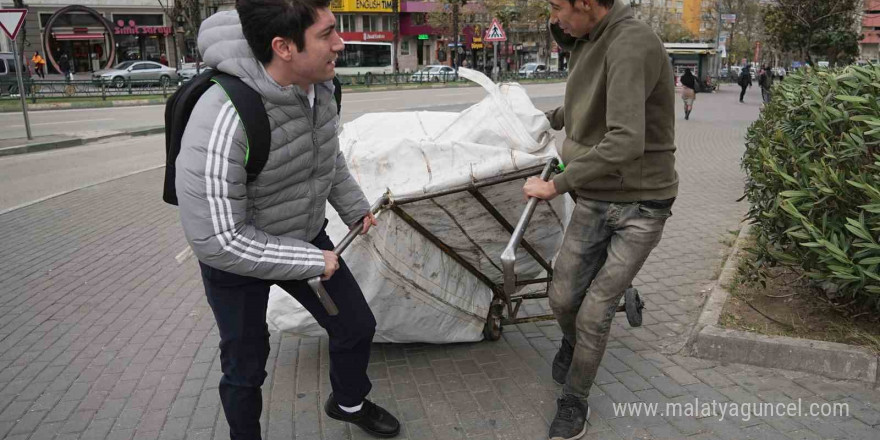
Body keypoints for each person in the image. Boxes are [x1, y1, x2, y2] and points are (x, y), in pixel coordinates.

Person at [174, 0, 400, 438]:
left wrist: (354, 206)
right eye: (326, 34)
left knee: (356, 326)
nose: (340, 43)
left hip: (301, 233)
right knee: (246, 364)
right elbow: (217, 239)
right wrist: (312, 262)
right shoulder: (224, 113)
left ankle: (349, 403)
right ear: (283, 47)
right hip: (234, 261)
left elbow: (324, 157)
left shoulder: (322, 87)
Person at [526, 1, 678, 439]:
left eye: (557, 7)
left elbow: (626, 139)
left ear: (589, 4)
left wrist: (556, 185)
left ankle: (575, 398)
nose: (554, 19)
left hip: (641, 203)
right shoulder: (588, 41)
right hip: (595, 194)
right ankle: (575, 343)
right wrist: (543, 120)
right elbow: (586, 107)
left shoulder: (630, 43)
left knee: (594, 311)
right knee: (562, 295)